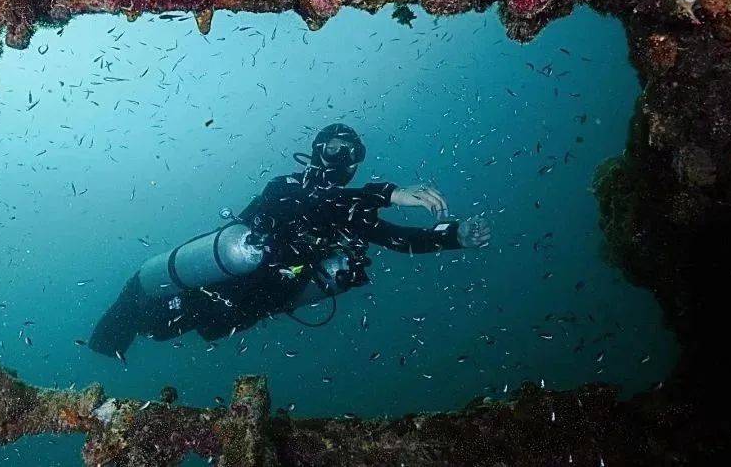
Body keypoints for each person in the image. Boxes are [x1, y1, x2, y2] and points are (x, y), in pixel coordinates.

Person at [89, 123, 491, 358]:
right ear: (317, 154)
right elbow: (314, 200)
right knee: (138, 321)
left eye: (352, 153)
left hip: (241, 309)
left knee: (164, 333)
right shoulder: (286, 186)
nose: (343, 159)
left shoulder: (352, 211)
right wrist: (388, 193)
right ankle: (109, 334)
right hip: (209, 284)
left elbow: (401, 240)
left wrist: (455, 235)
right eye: (334, 149)